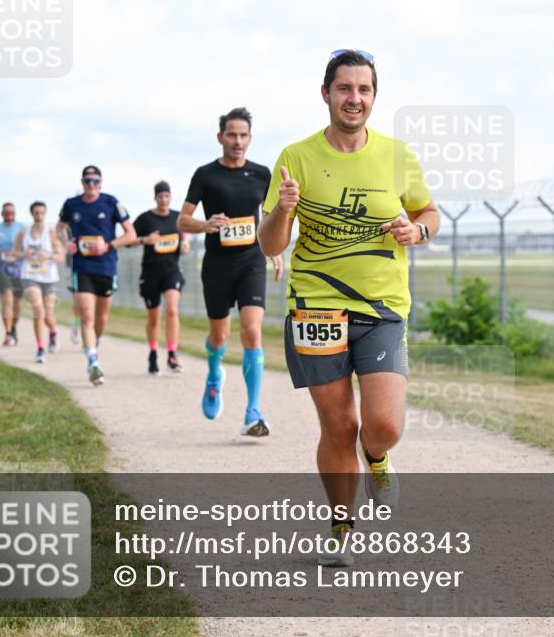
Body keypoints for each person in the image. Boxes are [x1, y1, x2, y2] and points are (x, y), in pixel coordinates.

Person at [259, 49, 439, 566]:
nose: (354, 98)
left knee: (383, 424)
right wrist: (285, 210)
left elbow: (428, 210)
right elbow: (271, 245)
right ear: (326, 94)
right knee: (338, 426)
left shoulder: (397, 155)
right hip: (316, 310)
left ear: (373, 97)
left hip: (382, 306)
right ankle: (342, 526)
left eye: (363, 90)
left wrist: (418, 229)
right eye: (344, 89)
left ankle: (377, 457)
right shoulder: (295, 157)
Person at [177, 108, 283, 435]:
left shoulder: (263, 174)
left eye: (243, 135)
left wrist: (275, 250)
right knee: (219, 336)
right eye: (232, 135)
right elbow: (182, 220)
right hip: (217, 265)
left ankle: (253, 411)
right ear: (220, 137)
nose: (238, 141)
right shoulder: (205, 174)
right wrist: (205, 224)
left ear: (250, 138)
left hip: (251, 261)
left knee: (252, 331)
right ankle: (213, 373)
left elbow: (272, 217)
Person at [56, 165, 136, 385]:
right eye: (87, 181)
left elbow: (131, 234)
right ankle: (93, 362)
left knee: (101, 317)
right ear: (82, 183)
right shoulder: (72, 205)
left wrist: (108, 246)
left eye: (95, 181)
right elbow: (59, 228)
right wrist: (66, 243)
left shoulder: (111, 203)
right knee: (88, 315)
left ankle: (95, 342)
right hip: (82, 267)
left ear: (101, 183)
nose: (91, 185)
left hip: (106, 267)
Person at [132, 180, 189, 375]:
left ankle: (172, 354)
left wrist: (186, 242)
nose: (163, 200)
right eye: (160, 197)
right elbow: (129, 239)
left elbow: (186, 231)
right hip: (150, 273)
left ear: (170, 197)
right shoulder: (145, 219)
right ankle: (153, 352)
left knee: (172, 309)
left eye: (166, 196)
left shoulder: (177, 217)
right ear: (155, 198)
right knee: (154, 317)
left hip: (171, 270)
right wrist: (145, 240)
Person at [15, 201, 65, 363]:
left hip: (49, 277)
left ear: (45, 214)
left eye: (41, 213)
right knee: (38, 310)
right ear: (32, 214)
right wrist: (25, 254)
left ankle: (53, 331)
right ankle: (40, 347)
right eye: (36, 213)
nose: (39, 215)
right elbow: (15, 253)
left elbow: (61, 256)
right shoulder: (23, 233)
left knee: (48, 314)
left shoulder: (50, 233)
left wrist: (48, 256)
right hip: (30, 276)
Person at [0, 202, 25, 346]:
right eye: (7, 213)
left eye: (12, 213)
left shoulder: (22, 228)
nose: (9, 215)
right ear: (2, 214)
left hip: (20, 269)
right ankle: (8, 332)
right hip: (1, 268)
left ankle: (14, 327)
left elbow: (28, 247)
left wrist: (18, 254)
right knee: (7, 299)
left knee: (17, 302)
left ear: (15, 214)